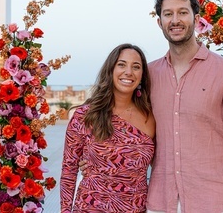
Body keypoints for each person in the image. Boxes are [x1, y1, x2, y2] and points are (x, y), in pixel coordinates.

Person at [145, 0, 223, 213]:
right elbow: (124, 125)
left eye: (182, 12)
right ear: (160, 22)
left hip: (214, 204)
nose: (175, 20)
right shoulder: (148, 75)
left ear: (196, 19)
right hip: (159, 204)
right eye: (168, 14)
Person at [60, 43, 156, 213]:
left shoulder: (151, 117)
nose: (129, 72)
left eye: (136, 67)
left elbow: (162, 166)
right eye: (121, 64)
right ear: (110, 70)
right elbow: (69, 171)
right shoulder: (86, 115)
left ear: (142, 76)